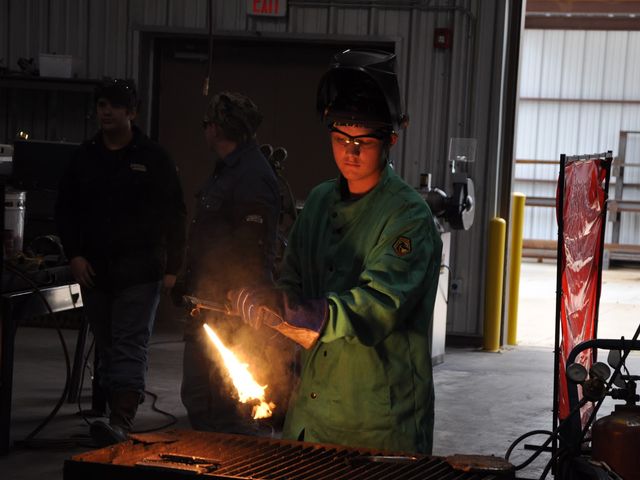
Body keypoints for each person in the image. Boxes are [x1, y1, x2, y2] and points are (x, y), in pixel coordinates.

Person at [229, 49, 443, 454]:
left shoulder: (408, 218)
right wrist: (267, 308)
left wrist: (294, 310)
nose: (351, 151)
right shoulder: (320, 203)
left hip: (377, 423)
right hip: (313, 415)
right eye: (341, 138)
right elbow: (292, 279)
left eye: (363, 141)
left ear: (391, 139)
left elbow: (375, 306)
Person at [55, 78, 187, 445]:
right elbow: (66, 210)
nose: (106, 111)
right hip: (96, 271)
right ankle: (110, 414)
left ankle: (121, 420)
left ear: (132, 112)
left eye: (114, 105)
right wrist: (75, 255)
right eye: (101, 105)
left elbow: (176, 214)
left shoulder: (153, 158)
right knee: (109, 345)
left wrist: (174, 267)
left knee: (129, 343)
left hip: (141, 272)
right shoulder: (85, 158)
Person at [180, 91, 284, 434]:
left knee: (228, 404)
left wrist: (238, 300)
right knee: (200, 396)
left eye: (206, 124)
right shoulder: (226, 171)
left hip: (232, 311)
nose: (204, 131)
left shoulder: (252, 176)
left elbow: (252, 250)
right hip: (208, 303)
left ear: (218, 128)